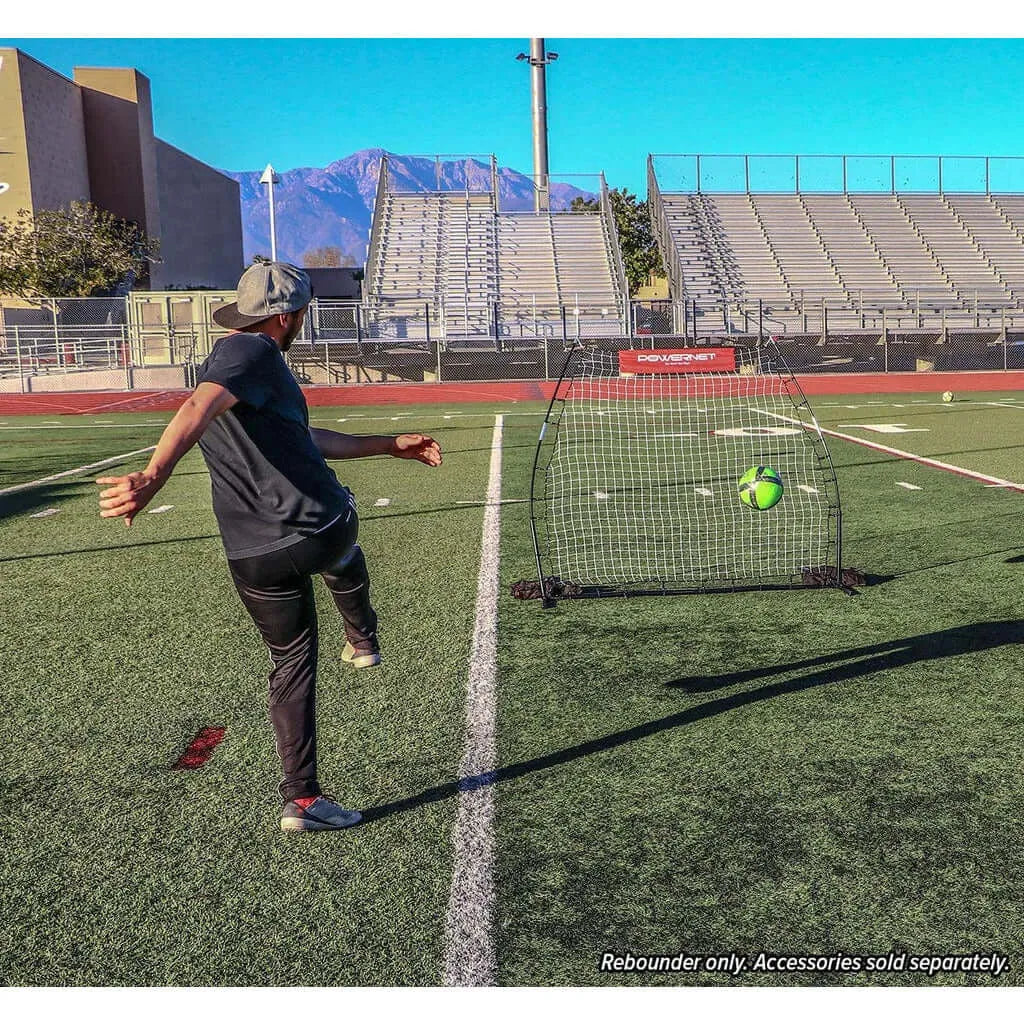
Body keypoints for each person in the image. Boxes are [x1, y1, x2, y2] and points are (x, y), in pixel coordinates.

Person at [96, 261, 441, 832]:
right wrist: (153, 476)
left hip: (252, 553)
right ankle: (362, 637)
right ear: (286, 317)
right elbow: (194, 410)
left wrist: (388, 444)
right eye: (302, 313)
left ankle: (302, 800)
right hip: (314, 531)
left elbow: (304, 438)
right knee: (344, 528)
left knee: (291, 663)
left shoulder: (235, 367)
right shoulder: (251, 354)